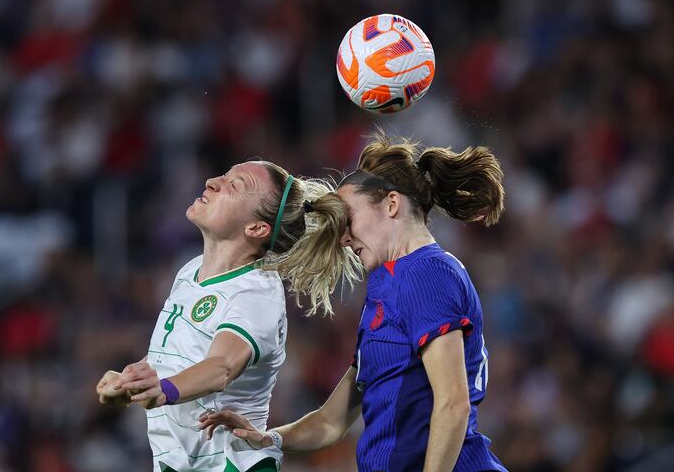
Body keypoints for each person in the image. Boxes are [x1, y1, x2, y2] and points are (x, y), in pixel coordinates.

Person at [200, 132, 509, 472]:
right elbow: (331, 422)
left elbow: (453, 404)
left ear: (392, 204)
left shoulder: (425, 273)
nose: (344, 237)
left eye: (349, 220)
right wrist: (268, 438)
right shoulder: (387, 285)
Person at [95, 160, 362, 472]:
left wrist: (163, 390)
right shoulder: (190, 270)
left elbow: (222, 367)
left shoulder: (256, 292)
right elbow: (178, 356)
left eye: (235, 185)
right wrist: (129, 382)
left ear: (257, 228)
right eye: (224, 175)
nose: (211, 181)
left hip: (230, 465)